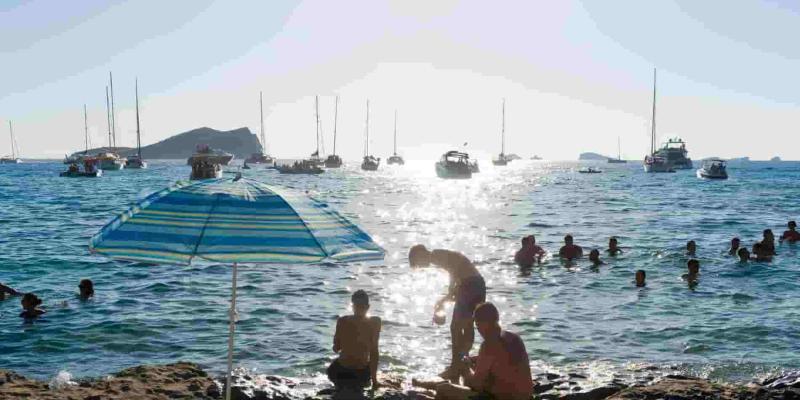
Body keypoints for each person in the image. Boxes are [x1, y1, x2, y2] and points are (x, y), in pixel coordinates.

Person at [420, 303, 534, 400]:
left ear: (483, 323)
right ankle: (428, 385)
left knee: (443, 389)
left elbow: (476, 386)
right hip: (526, 396)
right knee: (476, 371)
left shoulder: (489, 344)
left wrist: (466, 370)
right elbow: (500, 361)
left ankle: (435, 387)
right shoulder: (513, 337)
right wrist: (474, 360)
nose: (477, 328)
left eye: (477, 324)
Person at [409, 245, 486, 380]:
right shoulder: (438, 258)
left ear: (420, 254)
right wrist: (443, 301)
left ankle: (455, 367)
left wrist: (449, 291)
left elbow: (454, 270)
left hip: (470, 285)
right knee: (467, 325)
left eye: (418, 262)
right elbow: (457, 283)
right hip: (477, 284)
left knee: (456, 327)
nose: (422, 266)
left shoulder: (435, 254)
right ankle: (463, 363)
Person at [328, 290, 381, 391]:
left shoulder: (342, 321)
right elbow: (374, 352)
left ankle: (340, 388)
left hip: (340, 372)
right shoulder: (375, 322)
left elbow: (336, 348)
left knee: (335, 366)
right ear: (368, 307)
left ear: (352, 306)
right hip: (361, 375)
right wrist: (374, 381)